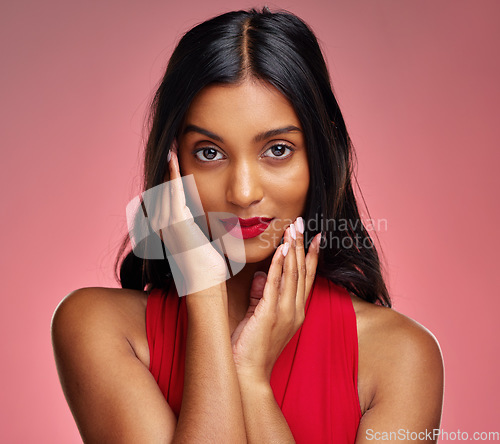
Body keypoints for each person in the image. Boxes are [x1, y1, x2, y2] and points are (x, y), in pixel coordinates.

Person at [51, 7, 444, 443]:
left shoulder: (402, 357)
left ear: (320, 151)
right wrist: (203, 294)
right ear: (172, 163)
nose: (241, 192)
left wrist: (252, 381)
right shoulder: (99, 328)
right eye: (209, 152)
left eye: (277, 149)